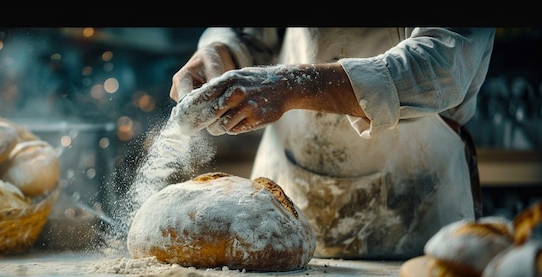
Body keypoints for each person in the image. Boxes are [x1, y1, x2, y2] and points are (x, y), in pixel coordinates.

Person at [169, 27, 495, 260]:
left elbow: (440, 65)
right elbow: (251, 33)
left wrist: (292, 86)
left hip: (417, 211)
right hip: (280, 217)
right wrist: (218, 49)